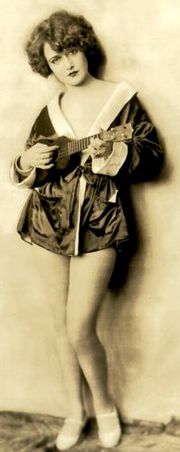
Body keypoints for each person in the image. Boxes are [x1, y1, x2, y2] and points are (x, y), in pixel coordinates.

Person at [10, 9, 164, 450]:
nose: (67, 64)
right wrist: (25, 163)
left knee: (80, 326)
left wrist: (109, 154)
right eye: (55, 59)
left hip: (101, 222)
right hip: (46, 221)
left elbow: (152, 158)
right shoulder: (50, 110)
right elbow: (28, 165)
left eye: (71, 51)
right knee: (59, 328)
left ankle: (105, 406)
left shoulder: (121, 98)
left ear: (84, 46)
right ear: (48, 66)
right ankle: (74, 412)